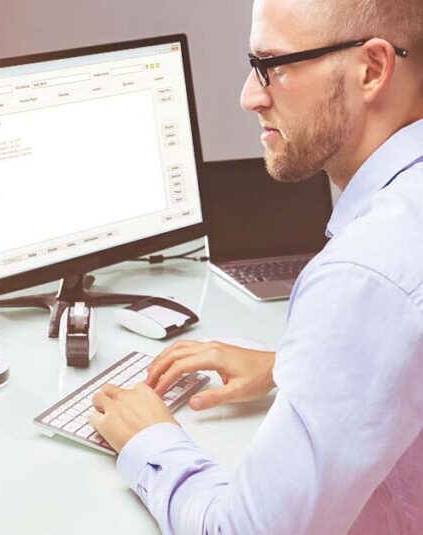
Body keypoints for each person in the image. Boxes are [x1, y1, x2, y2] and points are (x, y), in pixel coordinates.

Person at [89, 0, 423, 532]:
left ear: (372, 69)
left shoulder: (368, 273)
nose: (250, 96)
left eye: (273, 65)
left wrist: (150, 441)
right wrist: (290, 364)